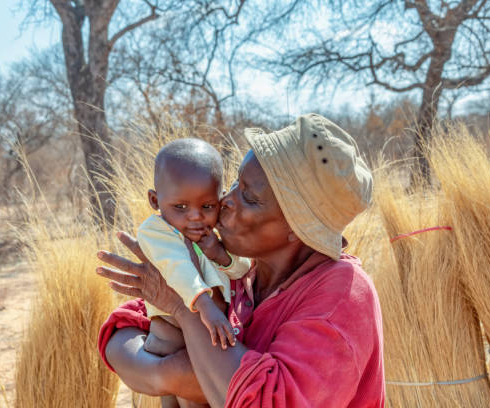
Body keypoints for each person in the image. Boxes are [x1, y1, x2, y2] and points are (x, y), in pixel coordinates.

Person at [96, 113, 385, 407]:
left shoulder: (342, 296)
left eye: (249, 197)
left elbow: (259, 401)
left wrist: (184, 310)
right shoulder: (246, 267)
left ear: (297, 229)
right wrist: (164, 374)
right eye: (235, 183)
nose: (226, 200)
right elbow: (121, 331)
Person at [137, 139, 250, 360]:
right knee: (177, 381)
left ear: (221, 199)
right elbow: (176, 266)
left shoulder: (215, 235)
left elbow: (243, 270)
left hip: (211, 329)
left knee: (200, 389)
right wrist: (205, 306)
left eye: (207, 206)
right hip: (170, 332)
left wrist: (219, 254)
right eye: (180, 207)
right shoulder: (155, 231)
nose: (196, 216)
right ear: (154, 200)